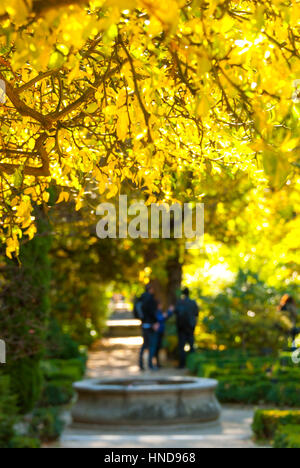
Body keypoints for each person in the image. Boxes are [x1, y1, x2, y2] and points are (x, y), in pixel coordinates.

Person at [174, 287, 199, 369]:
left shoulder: (179, 303)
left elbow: (176, 313)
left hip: (181, 328)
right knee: (191, 346)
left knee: (182, 347)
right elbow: (196, 314)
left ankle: (182, 364)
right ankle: (192, 364)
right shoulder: (193, 303)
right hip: (190, 327)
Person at [136, 284, 159, 371]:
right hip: (150, 325)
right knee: (152, 345)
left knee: (145, 345)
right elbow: (152, 312)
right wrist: (155, 322)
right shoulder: (150, 299)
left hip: (144, 324)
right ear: (151, 289)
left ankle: (141, 364)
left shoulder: (141, 299)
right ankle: (150, 364)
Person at [154, 303, 174, 368]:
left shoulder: (159, 311)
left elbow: (164, 317)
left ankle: (157, 363)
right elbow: (161, 318)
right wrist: (169, 311)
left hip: (160, 331)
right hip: (157, 332)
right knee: (156, 347)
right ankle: (156, 363)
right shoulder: (156, 312)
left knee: (159, 347)